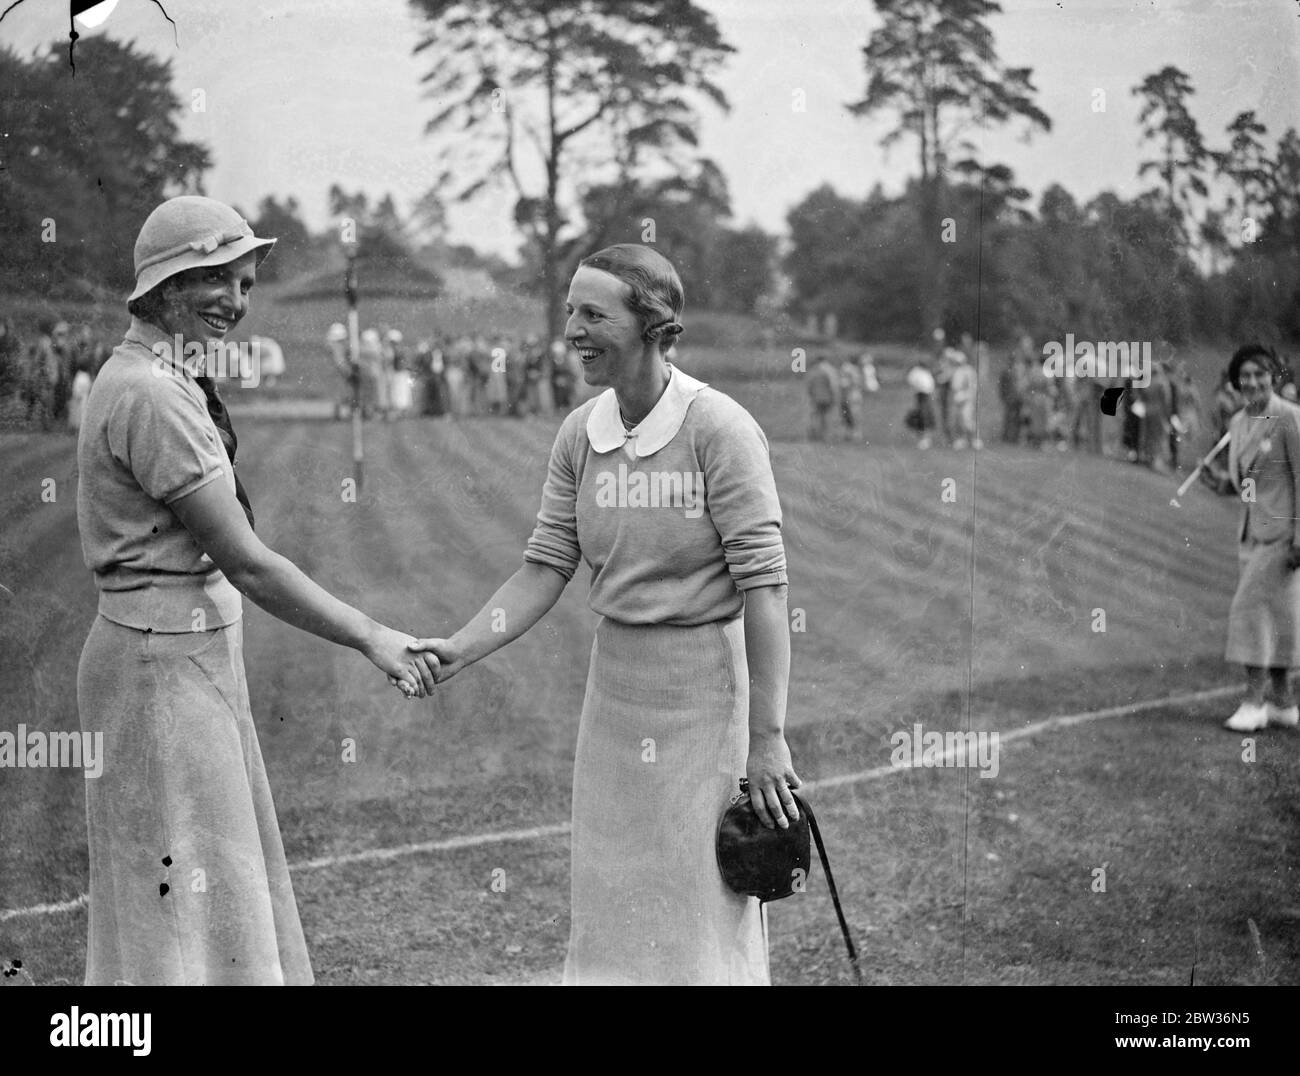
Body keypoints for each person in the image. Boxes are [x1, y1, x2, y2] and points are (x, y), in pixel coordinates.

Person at [408, 244, 799, 985]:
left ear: (652, 324)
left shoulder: (719, 429)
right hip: (615, 690)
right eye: (570, 314)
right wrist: (460, 648)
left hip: (702, 694)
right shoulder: (580, 433)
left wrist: (768, 739)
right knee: (612, 887)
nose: (575, 331)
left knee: (697, 894)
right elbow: (545, 566)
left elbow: (766, 589)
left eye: (595, 314)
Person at [75, 196, 438, 986]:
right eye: (217, 282)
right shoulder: (154, 395)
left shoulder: (161, 376)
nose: (236, 303)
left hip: (177, 657)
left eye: (243, 284)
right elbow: (247, 561)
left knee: (209, 897)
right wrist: (373, 637)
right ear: (166, 287)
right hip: (157, 666)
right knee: (184, 904)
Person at [1220, 343, 1300, 731]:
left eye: (1260, 374)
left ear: (1273, 375)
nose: (1252, 382)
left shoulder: (1289, 418)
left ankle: (1253, 703)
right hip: (1250, 534)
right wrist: (1225, 483)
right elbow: (1247, 481)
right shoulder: (1237, 421)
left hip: (1284, 535)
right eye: (1245, 376)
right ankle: (1283, 703)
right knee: (1279, 616)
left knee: (1248, 611)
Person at [949, 346, 981, 450]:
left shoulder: (968, 371)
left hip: (966, 399)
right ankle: (962, 439)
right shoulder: (955, 370)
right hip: (957, 398)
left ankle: (974, 439)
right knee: (958, 420)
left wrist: (967, 397)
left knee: (967, 420)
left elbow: (972, 387)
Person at [905, 358, 937, 450]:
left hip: (926, 395)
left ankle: (926, 438)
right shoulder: (916, 372)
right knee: (922, 415)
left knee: (926, 415)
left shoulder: (925, 372)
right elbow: (913, 382)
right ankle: (923, 438)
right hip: (921, 394)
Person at [807, 352, 839, 441]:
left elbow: (809, 385)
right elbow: (833, 385)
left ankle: (815, 435)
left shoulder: (813, 370)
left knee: (816, 416)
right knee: (826, 416)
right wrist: (835, 396)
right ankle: (825, 436)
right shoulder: (830, 370)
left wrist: (811, 395)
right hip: (827, 397)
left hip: (816, 397)